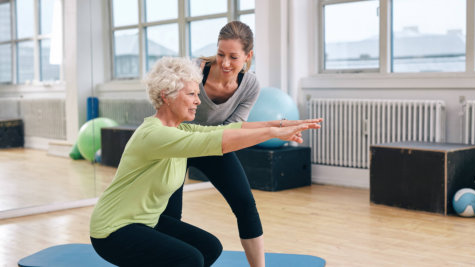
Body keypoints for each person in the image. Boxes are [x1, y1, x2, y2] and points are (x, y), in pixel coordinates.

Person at [89, 56, 322, 267]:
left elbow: (232, 128)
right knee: (189, 259)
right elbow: (220, 140)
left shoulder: (181, 129)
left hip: (145, 222)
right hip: (113, 230)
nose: (198, 101)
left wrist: (281, 125)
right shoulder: (155, 135)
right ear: (166, 96)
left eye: (197, 94)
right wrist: (272, 133)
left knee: (210, 247)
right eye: (191, 94)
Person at [162, 20, 308, 267]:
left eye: (233, 56)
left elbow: (234, 130)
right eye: (220, 54)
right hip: (180, 144)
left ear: (248, 56)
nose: (225, 63)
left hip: (215, 144)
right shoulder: (194, 72)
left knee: (245, 203)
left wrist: (274, 129)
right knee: (170, 215)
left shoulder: (250, 85)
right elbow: (166, 111)